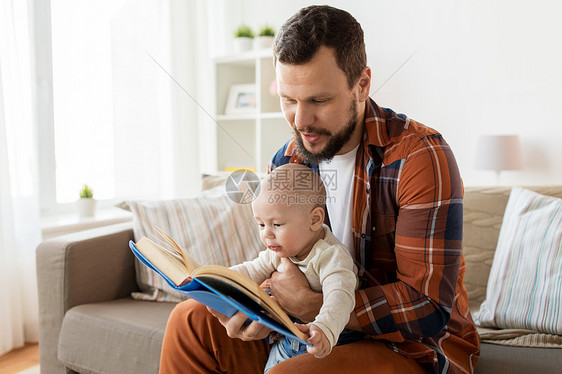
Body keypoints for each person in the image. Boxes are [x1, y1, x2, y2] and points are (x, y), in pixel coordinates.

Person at [160, 5, 480, 374]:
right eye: (288, 100)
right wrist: (263, 307)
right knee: (188, 323)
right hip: (308, 334)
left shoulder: (420, 157)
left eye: (318, 101)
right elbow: (283, 263)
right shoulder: (288, 159)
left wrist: (313, 307)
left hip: (408, 348)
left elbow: (427, 308)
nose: (300, 120)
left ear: (362, 84)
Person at [229, 163, 360, 372]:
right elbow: (252, 269)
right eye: (261, 225)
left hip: (332, 341)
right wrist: (219, 278)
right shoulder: (279, 250)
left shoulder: (330, 256)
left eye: (277, 225)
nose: (267, 235)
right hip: (287, 340)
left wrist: (325, 329)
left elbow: (340, 296)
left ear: (314, 219)